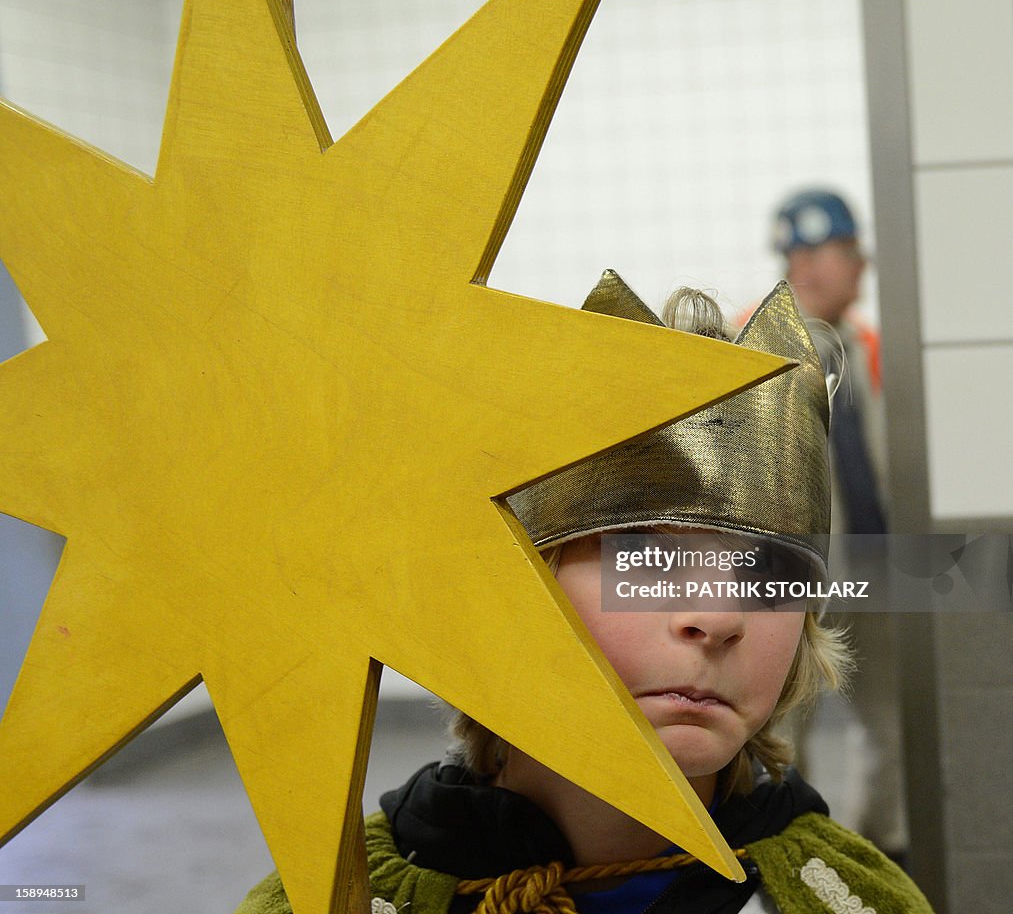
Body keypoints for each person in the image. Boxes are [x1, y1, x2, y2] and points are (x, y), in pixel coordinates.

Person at [236, 274, 932, 914]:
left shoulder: (850, 897)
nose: (718, 617)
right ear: (515, 588)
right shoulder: (338, 897)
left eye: (763, 574)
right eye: (650, 561)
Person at [772, 189, 908, 860]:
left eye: (821, 251)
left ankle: (880, 852)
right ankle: (788, 859)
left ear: (858, 262)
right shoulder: (760, 344)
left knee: (891, 720)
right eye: (794, 253)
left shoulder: (873, 348)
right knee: (781, 730)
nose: (807, 266)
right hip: (790, 580)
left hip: (876, 574)